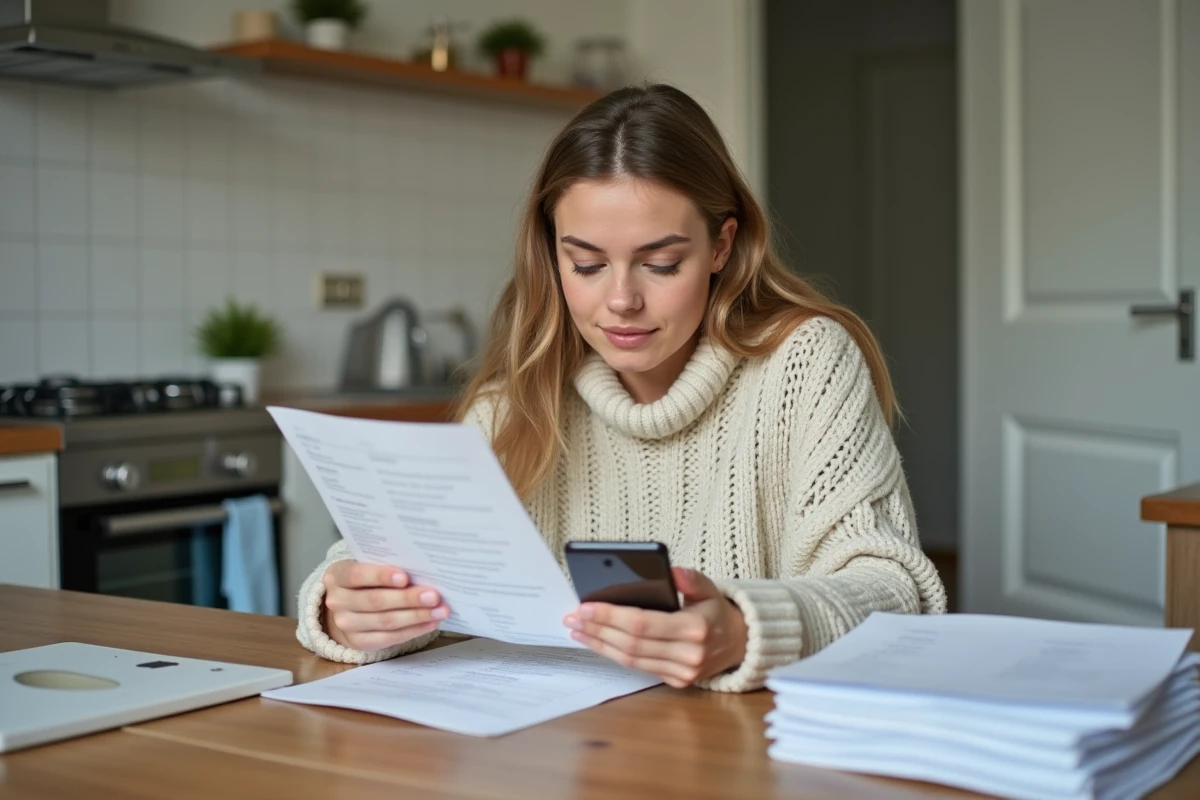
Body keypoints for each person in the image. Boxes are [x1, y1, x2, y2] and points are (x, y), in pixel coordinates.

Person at [296, 83, 946, 692]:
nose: (621, 301)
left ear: (722, 245)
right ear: (552, 251)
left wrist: (746, 627)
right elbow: (390, 564)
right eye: (585, 263)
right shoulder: (519, 396)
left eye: (661, 263)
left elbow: (894, 590)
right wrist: (343, 606)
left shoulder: (804, 364)